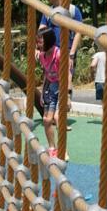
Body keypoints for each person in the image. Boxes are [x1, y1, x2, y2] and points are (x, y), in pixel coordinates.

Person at [35, 23, 62, 156]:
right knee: (46, 120)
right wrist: (42, 93)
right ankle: (52, 147)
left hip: (60, 88)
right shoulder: (42, 56)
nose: (38, 44)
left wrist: (67, 95)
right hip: (50, 89)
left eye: (40, 41)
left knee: (57, 118)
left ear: (48, 41)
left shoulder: (58, 55)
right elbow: (46, 74)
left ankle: (63, 149)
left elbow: (66, 77)